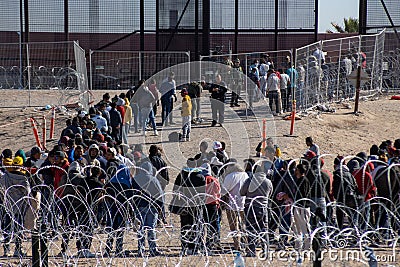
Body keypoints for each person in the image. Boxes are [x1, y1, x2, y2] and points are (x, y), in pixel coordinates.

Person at [170, 159, 206, 255]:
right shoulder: (200, 177)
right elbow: (203, 194)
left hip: (184, 204)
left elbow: (175, 190)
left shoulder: (181, 176)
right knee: (196, 226)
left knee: (185, 226)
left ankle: (184, 247)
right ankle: (195, 247)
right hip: (196, 205)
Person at [0, 156, 30, 257]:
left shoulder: (5, 177)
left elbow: (1, 189)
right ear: (21, 165)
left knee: (7, 228)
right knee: (18, 229)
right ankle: (18, 249)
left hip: (8, 206)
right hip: (20, 207)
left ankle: (6, 249)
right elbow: (28, 192)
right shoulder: (24, 178)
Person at [132, 161, 164, 257]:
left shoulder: (135, 179)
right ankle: (152, 249)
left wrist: (132, 207)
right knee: (151, 229)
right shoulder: (153, 179)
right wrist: (160, 208)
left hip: (139, 207)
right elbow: (160, 195)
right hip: (152, 207)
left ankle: (141, 250)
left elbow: (131, 193)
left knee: (140, 229)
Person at [240, 165, 273, 257]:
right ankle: (265, 250)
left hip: (250, 207)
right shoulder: (268, 182)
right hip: (263, 207)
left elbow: (241, 192)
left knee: (251, 229)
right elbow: (270, 193)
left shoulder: (249, 180)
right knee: (264, 229)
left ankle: (251, 250)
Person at [221, 163, 248, 251]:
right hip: (243, 203)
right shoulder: (245, 175)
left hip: (231, 204)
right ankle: (245, 243)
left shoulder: (229, 176)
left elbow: (223, 191)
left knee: (234, 226)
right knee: (243, 225)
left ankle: (237, 245)